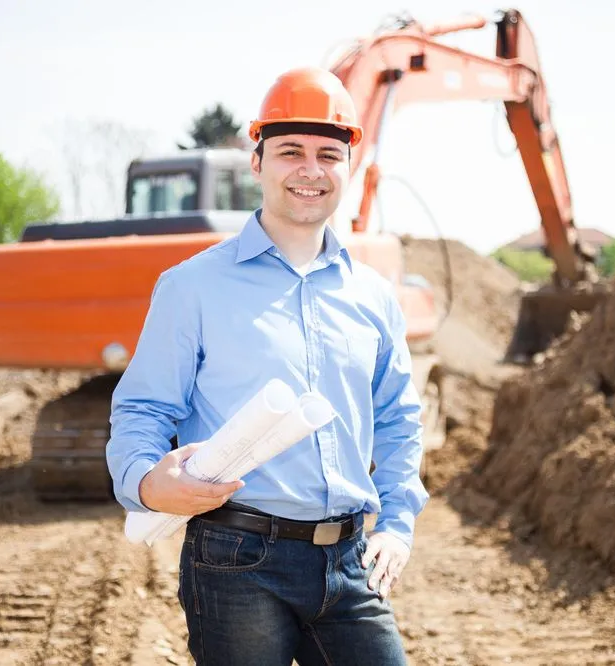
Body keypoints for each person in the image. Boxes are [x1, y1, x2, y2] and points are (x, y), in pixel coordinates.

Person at [106, 66, 429, 666]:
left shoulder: (374, 296)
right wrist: (148, 483)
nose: (311, 169)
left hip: (349, 561)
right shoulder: (192, 286)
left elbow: (401, 419)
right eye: (290, 152)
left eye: (329, 154)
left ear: (348, 168)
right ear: (256, 163)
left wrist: (398, 523)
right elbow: (143, 409)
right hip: (235, 559)